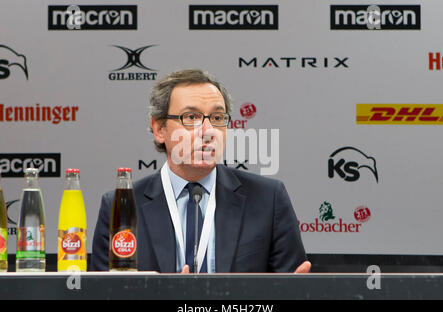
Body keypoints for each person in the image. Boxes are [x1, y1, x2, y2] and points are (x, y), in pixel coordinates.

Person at [91, 69, 311, 273]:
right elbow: (104, 294)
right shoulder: (121, 205)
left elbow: (290, 287)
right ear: (160, 129)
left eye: (217, 118)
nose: (208, 131)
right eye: (191, 118)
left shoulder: (267, 198)